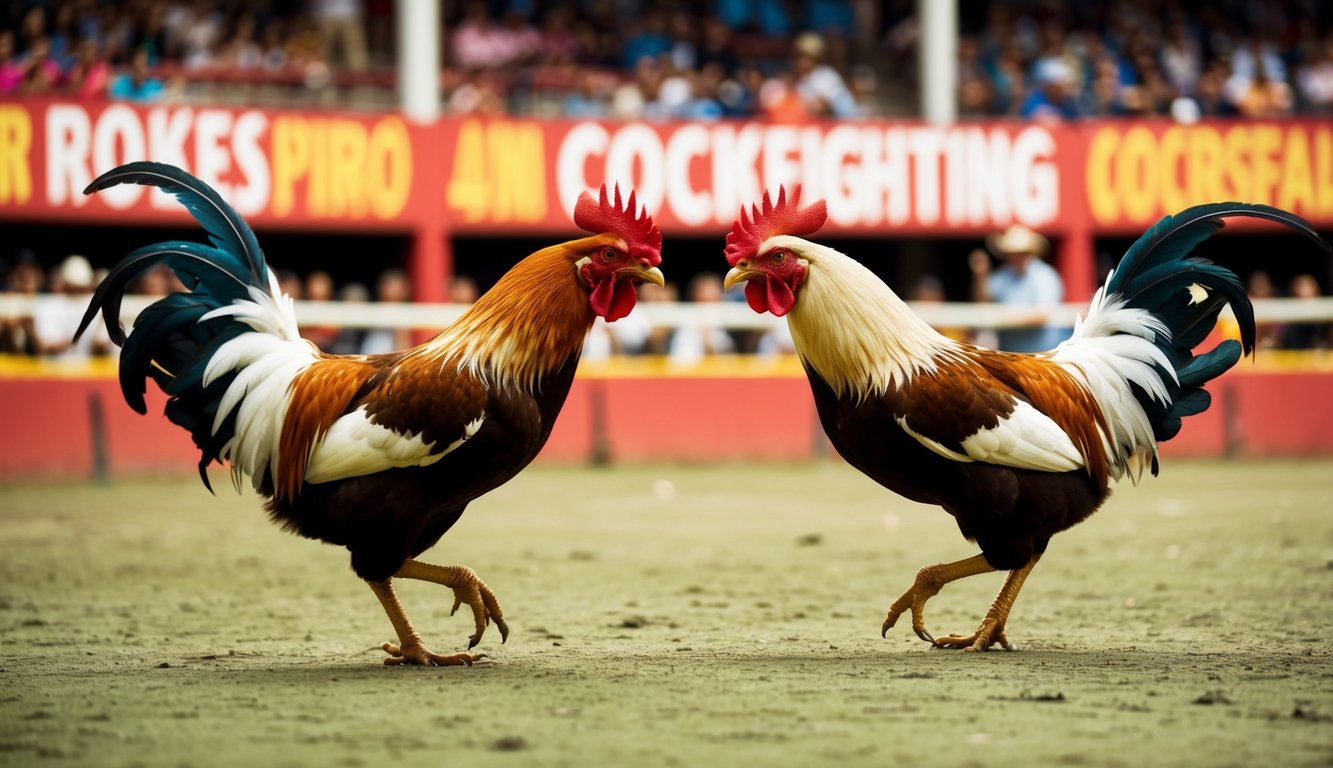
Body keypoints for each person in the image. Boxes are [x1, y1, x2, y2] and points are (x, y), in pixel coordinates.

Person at [969, 224, 1067, 353]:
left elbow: (1043, 315)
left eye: (1018, 252)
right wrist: (981, 275)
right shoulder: (1004, 275)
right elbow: (983, 301)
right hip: (1010, 356)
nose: (1013, 256)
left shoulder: (1045, 276)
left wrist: (1003, 318)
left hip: (1042, 357)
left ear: (1029, 253)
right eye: (1010, 252)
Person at [32, 255, 112, 361]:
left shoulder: (98, 306)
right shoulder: (50, 305)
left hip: (89, 373)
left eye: (81, 288)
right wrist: (75, 339)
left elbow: (102, 348)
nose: (78, 291)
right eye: (74, 287)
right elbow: (44, 348)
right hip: (54, 372)